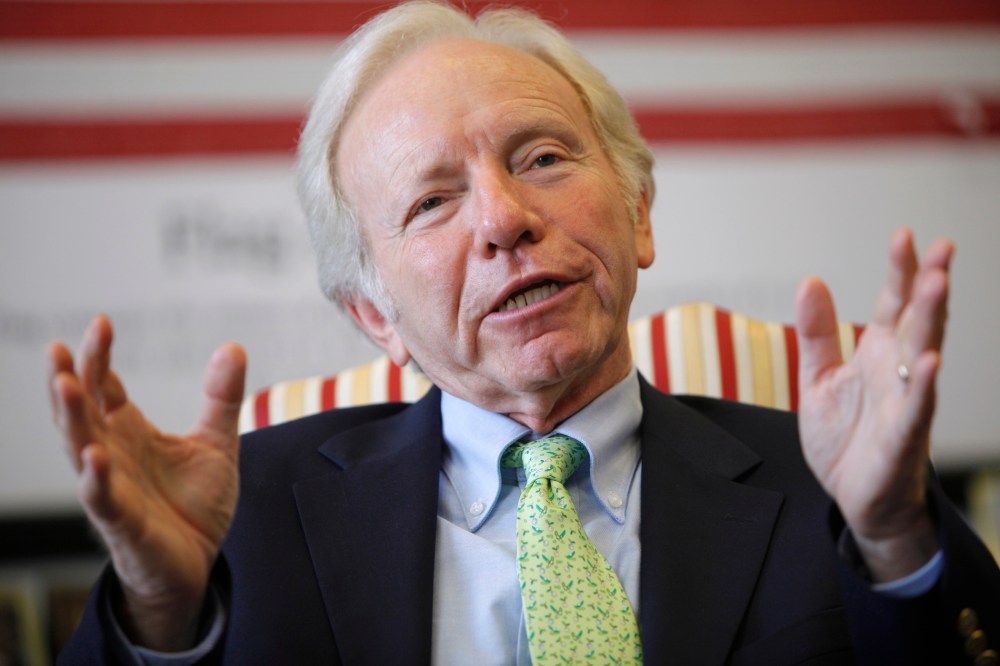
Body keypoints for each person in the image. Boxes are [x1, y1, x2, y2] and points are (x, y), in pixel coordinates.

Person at [49, 2, 999, 664]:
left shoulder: (836, 493)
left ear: (639, 213)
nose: (504, 217)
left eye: (541, 157)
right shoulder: (240, 524)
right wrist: (163, 621)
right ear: (375, 314)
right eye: (432, 201)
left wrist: (892, 540)